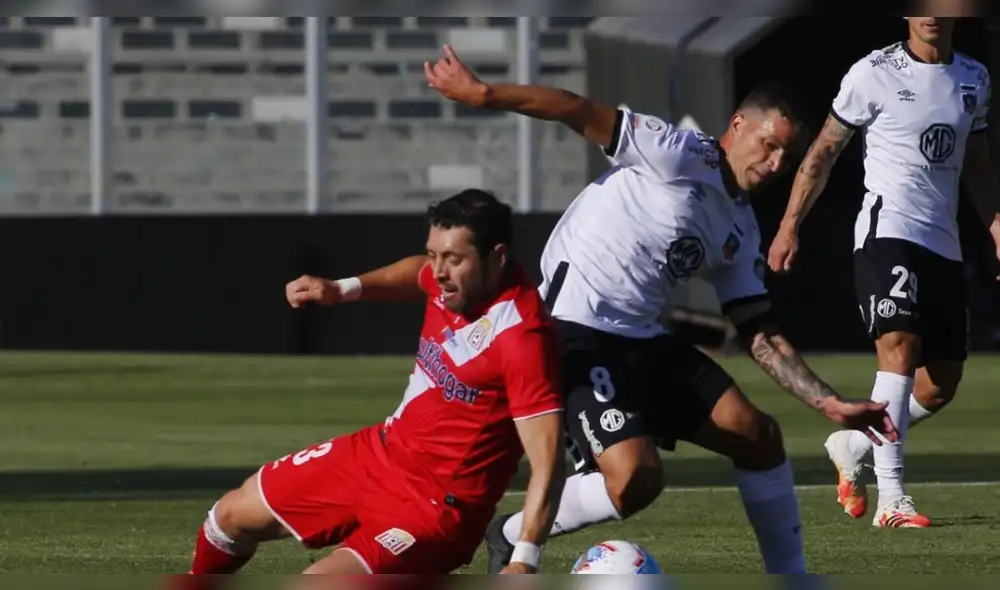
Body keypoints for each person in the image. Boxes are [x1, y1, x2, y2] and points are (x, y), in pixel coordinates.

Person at [425, 45, 898, 575]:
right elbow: (574, 108)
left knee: (758, 436)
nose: (774, 166)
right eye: (769, 147)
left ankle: (791, 578)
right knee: (635, 481)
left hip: (642, 338)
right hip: (573, 333)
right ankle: (511, 534)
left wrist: (829, 403)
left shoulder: (740, 228)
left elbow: (758, 332)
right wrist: (482, 93)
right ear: (737, 125)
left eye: (786, 159)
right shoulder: (678, 151)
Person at [178, 189, 567, 581]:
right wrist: (343, 288)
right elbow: (418, 274)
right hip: (378, 454)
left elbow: (548, 465)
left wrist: (524, 560)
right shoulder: (447, 281)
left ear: (497, 257)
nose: (439, 272)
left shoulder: (522, 338)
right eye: (435, 255)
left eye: (454, 259)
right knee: (228, 517)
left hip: (433, 510)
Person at [767, 17, 998, 528]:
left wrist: (996, 228)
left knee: (939, 384)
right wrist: (789, 226)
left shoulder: (974, 77)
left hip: (943, 241)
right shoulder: (873, 72)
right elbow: (824, 151)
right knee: (900, 346)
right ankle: (893, 499)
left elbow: (976, 162)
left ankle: (853, 442)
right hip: (887, 230)